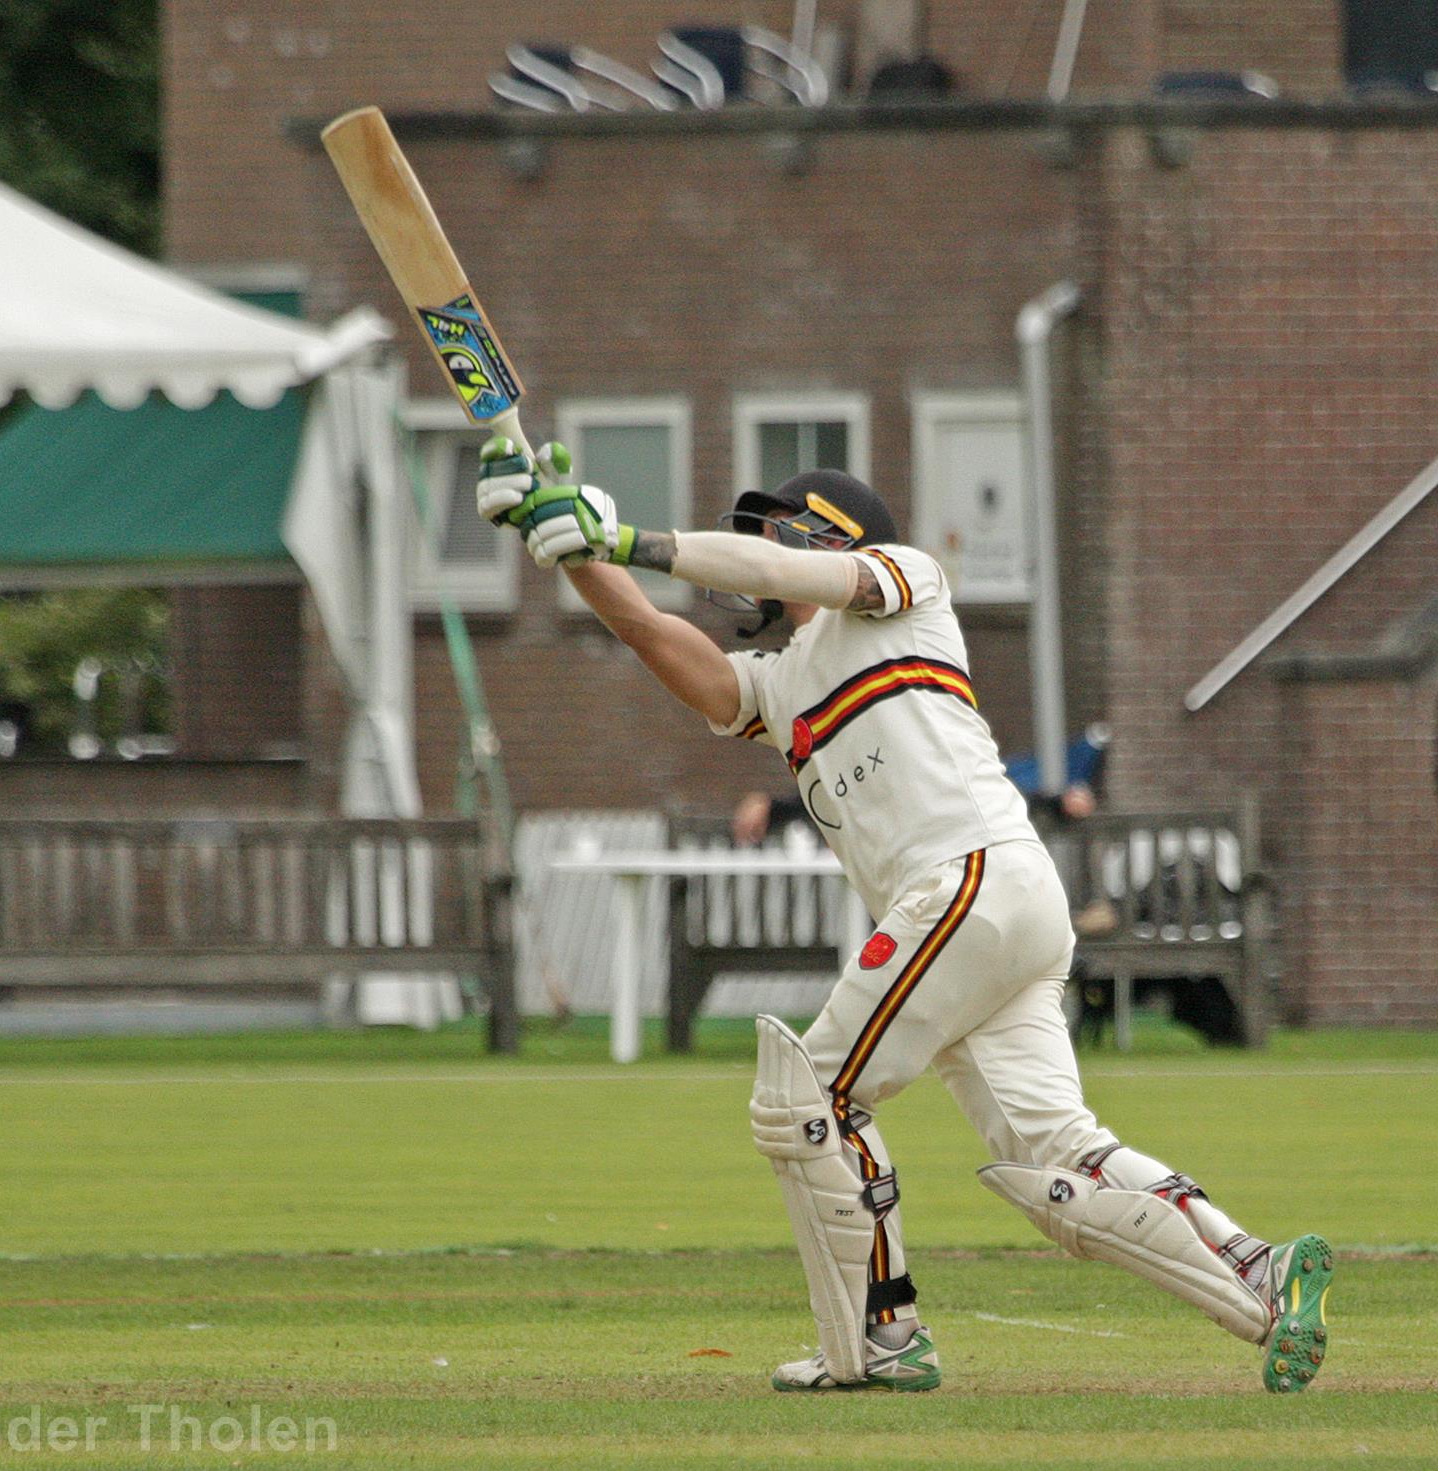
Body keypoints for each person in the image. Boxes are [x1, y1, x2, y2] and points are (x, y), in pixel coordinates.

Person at [476, 440, 1333, 1395]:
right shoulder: (781, 680)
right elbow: (648, 631)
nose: (760, 548)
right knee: (1056, 1159)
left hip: (965, 882)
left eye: (779, 528)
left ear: (830, 536)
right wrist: (566, 545)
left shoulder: (904, 583)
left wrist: (629, 537)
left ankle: (880, 1336)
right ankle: (1260, 1272)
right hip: (994, 907)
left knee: (809, 1096)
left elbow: (783, 571)